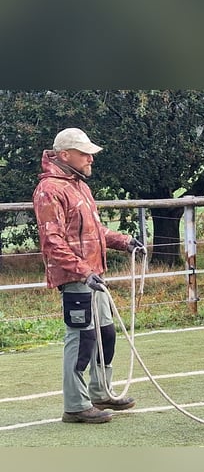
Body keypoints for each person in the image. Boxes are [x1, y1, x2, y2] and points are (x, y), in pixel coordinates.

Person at [33, 128, 145, 424]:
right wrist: (82, 271)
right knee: (82, 340)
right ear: (65, 155)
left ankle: (100, 391)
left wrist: (123, 241)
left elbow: (94, 231)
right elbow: (52, 241)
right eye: (85, 154)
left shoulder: (79, 186)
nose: (91, 159)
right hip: (76, 279)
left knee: (105, 335)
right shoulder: (50, 190)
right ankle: (75, 405)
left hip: (93, 277)